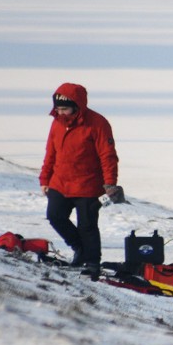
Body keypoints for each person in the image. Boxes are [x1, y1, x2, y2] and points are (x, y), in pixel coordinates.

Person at [39, 83, 119, 278]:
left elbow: (107, 155)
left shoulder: (98, 123)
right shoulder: (57, 122)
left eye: (64, 108)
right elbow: (51, 152)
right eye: (58, 108)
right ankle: (79, 249)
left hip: (88, 186)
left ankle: (92, 263)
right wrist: (45, 178)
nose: (60, 112)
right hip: (60, 182)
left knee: (87, 226)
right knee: (55, 216)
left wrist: (110, 183)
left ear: (77, 105)